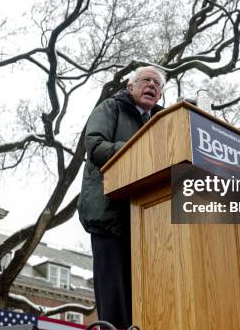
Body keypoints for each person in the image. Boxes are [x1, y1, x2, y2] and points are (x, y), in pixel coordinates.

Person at [78, 66, 165, 328]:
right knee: (114, 296)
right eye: (146, 80)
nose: (152, 85)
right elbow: (95, 145)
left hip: (146, 222)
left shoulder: (162, 123)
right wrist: (138, 151)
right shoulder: (110, 108)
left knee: (145, 296)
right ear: (130, 87)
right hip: (109, 216)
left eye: (157, 84)